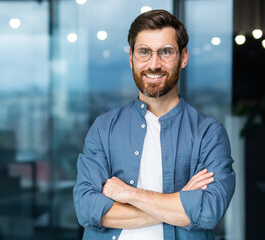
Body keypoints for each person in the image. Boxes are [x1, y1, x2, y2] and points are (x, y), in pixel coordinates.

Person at [73, 9, 235, 240]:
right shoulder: (104, 127)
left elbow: (208, 212)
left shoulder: (209, 133)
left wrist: (127, 194)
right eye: (144, 52)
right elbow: (87, 209)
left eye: (166, 52)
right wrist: (179, 202)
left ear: (184, 57)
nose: (154, 64)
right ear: (131, 58)